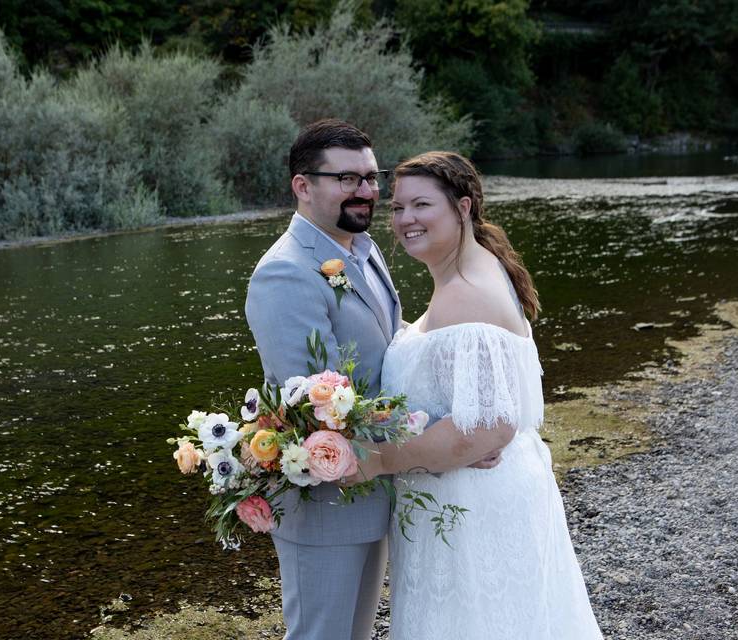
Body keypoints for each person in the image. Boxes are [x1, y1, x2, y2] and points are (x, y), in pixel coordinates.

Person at [351, 151, 603, 639]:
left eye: (421, 205)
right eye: (398, 208)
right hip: (461, 499)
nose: (405, 220)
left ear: (463, 207)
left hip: (474, 508)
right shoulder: (467, 274)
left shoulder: (467, 290)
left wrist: (378, 461)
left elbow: (490, 427)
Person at [244, 119, 402, 640]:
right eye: (348, 179)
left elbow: (391, 346)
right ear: (303, 186)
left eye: (372, 177)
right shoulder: (285, 272)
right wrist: (435, 438)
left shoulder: (362, 249)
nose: (366, 191)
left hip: (371, 488)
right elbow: (320, 403)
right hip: (324, 506)